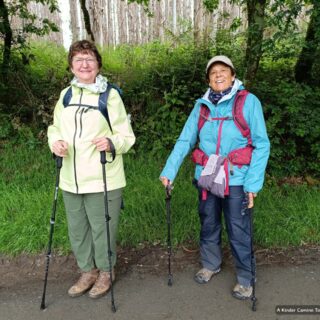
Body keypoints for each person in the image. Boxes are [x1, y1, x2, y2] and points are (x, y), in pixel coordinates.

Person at [160, 55, 270, 300]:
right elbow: (185, 139)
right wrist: (169, 170)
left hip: (237, 177)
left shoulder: (248, 102)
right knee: (208, 221)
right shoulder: (202, 106)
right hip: (207, 175)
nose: (218, 75)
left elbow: (262, 144)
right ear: (208, 80)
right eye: (213, 72)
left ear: (233, 75)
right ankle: (211, 264)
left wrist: (253, 184)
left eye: (223, 70)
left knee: (238, 227)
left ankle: (245, 277)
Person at [47, 40, 135, 299]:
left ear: (98, 65)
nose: (84, 64)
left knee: (102, 228)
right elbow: (55, 127)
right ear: (72, 66)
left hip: (102, 177)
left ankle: (106, 271)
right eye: (78, 59)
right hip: (70, 178)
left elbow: (126, 136)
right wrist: (55, 142)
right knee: (77, 229)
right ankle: (88, 271)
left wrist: (111, 142)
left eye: (89, 59)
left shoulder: (110, 95)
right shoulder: (66, 95)